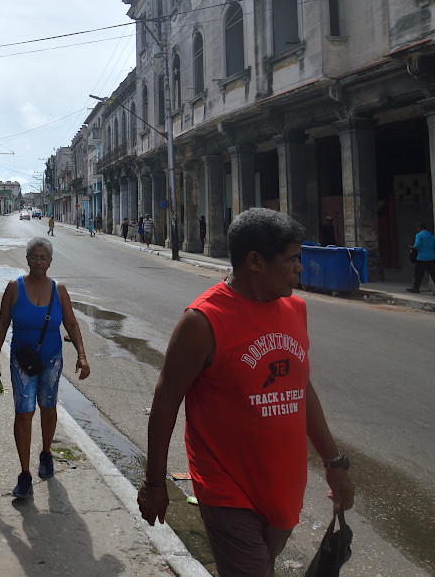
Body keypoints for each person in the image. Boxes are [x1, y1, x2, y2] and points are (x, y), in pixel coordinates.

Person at [138, 208, 354, 577]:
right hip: (227, 489)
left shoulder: (295, 309)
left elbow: (301, 388)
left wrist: (334, 464)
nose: (299, 268)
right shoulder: (203, 321)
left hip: (283, 487)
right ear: (255, 261)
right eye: (290, 259)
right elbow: (166, 400)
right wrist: (155, 482)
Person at [0, 237, 91, 499]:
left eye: (43, 258)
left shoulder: (59, 290)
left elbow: (72, 324)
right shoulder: (14, 288)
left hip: (52, 359)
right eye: (33, 257)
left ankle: (46, 452)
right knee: (23, 413)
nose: (38, 262)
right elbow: (2, 324)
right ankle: (25, 474)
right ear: (27, 260)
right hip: (21, 360)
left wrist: (82, 355)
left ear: (50, 262)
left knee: (48, 407)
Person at [408, 222, 435, 296]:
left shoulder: (419, 235)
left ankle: (416, 288)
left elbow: (417, 246)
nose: (417, 230)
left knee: (418, 274)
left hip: (421, 258)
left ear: (419, 228)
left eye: (417, 228)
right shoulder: (431, 236)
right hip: (431, 258)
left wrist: (411, 247)